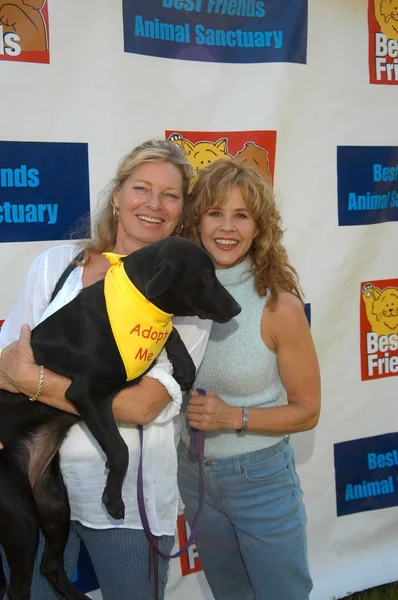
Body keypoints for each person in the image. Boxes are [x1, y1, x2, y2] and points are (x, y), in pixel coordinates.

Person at [0, 139, 212, 600]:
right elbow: (3, 366)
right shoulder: (56, 267)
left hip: (126, 508)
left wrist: (34, 381)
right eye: (141, 188)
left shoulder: (188, 302)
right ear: (116, 196)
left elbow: (140, 405)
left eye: (170, 195)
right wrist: (19, 376)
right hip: (36, 483)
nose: (153, 203)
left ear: (181, 213)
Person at [178, 158, 321, 600]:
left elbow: (307, 410)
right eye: (215, 212)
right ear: (196, 221)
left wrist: (233, 416)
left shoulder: (278, 305)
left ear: (260, 227)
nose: (227, 227)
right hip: (193, 475)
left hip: (259, 480)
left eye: (242, 215)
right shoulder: (174, 295)